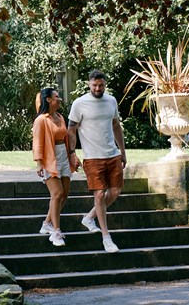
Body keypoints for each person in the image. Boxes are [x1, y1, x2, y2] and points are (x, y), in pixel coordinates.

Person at [67, 69, 127, 253]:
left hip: (112, 154)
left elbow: (116, 125)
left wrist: (123, 151)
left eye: (101, 85)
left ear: (105, 84)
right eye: (94, 85)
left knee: (115, 191)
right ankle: (106, 238)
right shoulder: (80, 103)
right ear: (89, 84)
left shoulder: (111, 101)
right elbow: (71, 129)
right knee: (99, 194)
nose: (98, 88)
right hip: (92, 157)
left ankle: (89, 217)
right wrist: (72, 153)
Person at [33, 87, 76, 247]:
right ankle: (56, 232)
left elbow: (66, 138)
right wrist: (39, 162)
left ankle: (47, 223)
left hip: (63, 157)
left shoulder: (60, 117)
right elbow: (37, 142)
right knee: (56, 194)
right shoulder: (41, 120)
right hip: (49, 159)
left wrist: (72, 155)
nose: (60, 99)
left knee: (64, 194)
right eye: (57, 97)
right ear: (49, 100)